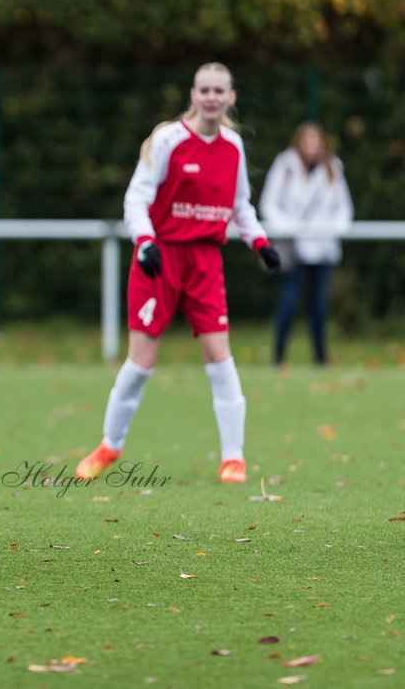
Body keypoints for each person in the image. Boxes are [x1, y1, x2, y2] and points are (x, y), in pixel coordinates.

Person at [75, 63, 282, 485]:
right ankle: (109, 447)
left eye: (218, 90)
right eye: (204, 89)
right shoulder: (168, 140)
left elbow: (241, 204)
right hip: (161, 258)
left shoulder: (233, 146)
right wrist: (146, 241)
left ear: (231, 97)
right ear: (192, 94)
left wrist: (259, 241)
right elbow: (137, 197)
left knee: (220, 358)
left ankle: (233, 460)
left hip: (205, 262)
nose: (211, 97)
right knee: (141, 361)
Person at [259, 123, 354, 366]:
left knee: (319, 307)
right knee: (288, 303)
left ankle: (320, 358)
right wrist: (289, 227)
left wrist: (330, 228)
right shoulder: (285, 166)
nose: (312, 147)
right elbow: (268, 204)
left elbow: (344, 209)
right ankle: (278, 356)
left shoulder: (333, 167)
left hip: (323, 249)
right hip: (294, 248)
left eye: (316, 141)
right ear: (299, 142)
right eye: (307, 141)